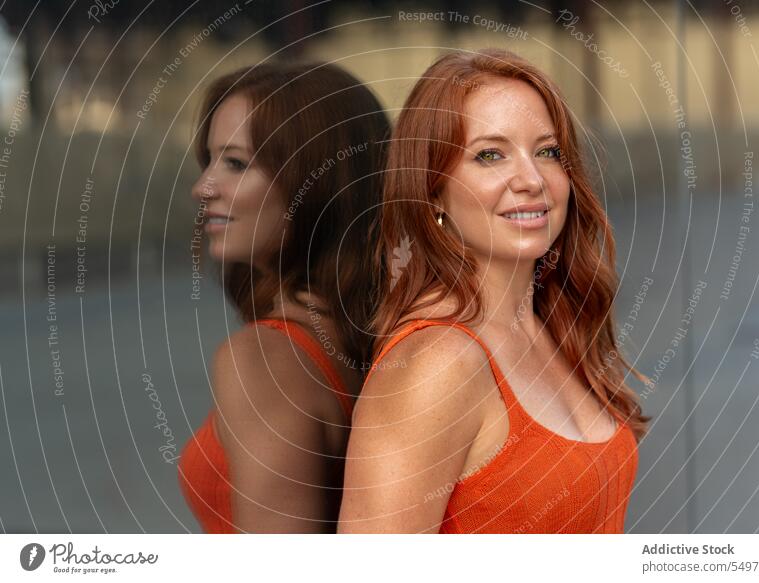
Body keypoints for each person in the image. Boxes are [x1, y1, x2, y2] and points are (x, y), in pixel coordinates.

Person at [339, 48, 650, 534]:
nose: (532, 180)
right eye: (490, 155)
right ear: (432, 190)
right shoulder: (436, 363)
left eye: (547, 151)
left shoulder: (552, 320)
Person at [178, 62, 388, 533]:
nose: (203, 187)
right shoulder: (379, 339)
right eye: (209, 161)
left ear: (312, 183)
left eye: (235, 163)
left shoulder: (262, 362)